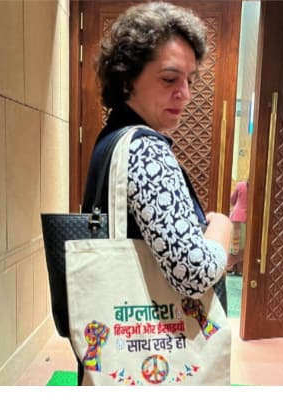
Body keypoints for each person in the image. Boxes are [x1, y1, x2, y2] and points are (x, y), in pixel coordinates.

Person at [80, 2, 232, 384]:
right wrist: (222, 228)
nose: (184, 93)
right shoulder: (147, 148)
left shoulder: (112, 138)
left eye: (190, 80)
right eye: (169, 79)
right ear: (128, 78)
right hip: (157, 348)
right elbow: (193, 273)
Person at [227, 180, 248, 275]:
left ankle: (230, 266)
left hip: (236, 217)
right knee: (243, 244)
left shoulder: (240, 185)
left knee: (234, 244)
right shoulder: (256, 187)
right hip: (248, 218)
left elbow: (232, 200)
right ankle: (240, 268)